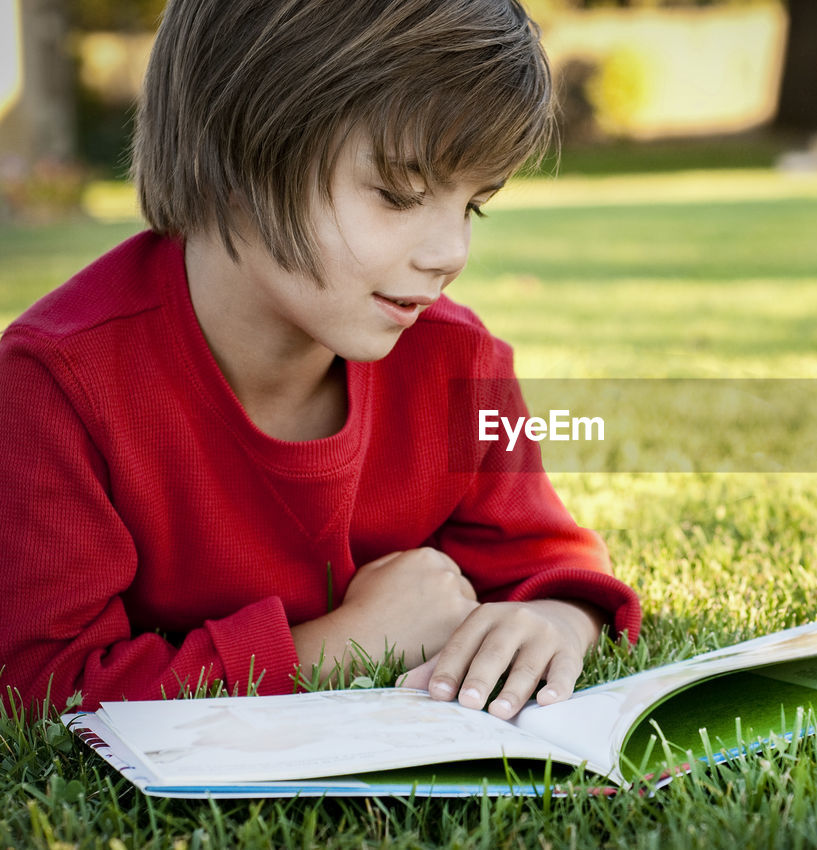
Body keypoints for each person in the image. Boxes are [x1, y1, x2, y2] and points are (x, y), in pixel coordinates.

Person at [0, 0, 641, 719]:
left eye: (474, 205)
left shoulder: (461, 364)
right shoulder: (57, 382)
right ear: (237, 154)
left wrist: (555, 620)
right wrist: (340, 645)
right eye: (400, 194)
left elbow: (553, 558)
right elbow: (44, 685)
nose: (450, 254)